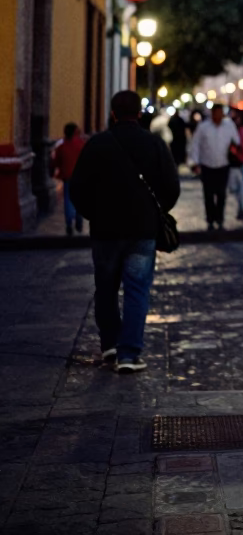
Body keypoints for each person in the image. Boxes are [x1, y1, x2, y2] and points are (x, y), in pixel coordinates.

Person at [70, 90, 180, 372]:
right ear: (140, 114)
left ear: (113, 113)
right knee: (137, 290)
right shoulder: (155, 144)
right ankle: (129, 354)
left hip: (105, 229)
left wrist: (93, 214)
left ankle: (109, 344)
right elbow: (172, 187)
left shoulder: (97, 144)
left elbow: (77, 188)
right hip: (142, 229)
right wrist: (156, 213)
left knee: (105, 288)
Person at [189, 103, 241, 231]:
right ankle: (210, 219)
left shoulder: (229, 126)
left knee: (221, 193)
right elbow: (195, 145)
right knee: (208, 194)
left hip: (223, 164)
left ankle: (220, 218)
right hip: (207, 164)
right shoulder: (203, 127)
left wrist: (233, 150)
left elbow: (237, 141)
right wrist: (194, 162)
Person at [52, 121, 87, 235]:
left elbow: (56, 161)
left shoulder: (61, 146)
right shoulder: (82, 144)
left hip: (67, 176)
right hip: (80, 176)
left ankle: (69, 223)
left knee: (68, 199)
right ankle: (79, 219)